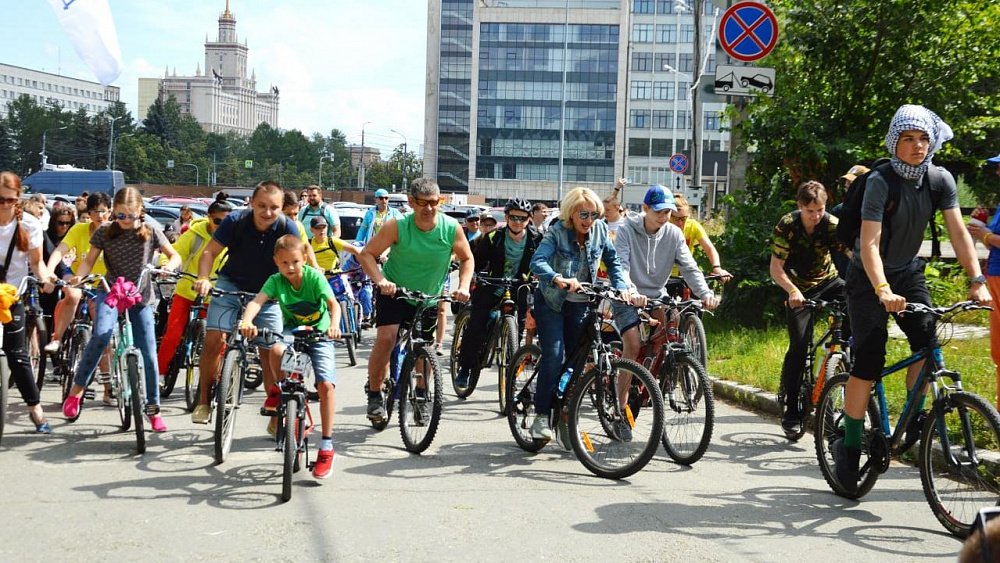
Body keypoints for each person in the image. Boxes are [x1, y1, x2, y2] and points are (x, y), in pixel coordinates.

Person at [832, 104, 991, 494]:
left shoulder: (940, 180)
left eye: (923, 138)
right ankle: (849, 446)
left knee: (928, 344)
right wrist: (882, 290)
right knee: (870, 358)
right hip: (868, 278)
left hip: (907, 270)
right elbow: (868, 243)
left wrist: (976, 280)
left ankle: (917, 414)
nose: (918, 146)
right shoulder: (880, 181)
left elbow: (958, 233)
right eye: (908, 139)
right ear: (895, 142)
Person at [61, 187, 181, 431]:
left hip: (140, 295)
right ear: (114, 213)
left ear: (141, 212)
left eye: (130, 216)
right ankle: (78, 389)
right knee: (102, 334)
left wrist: (168, 267)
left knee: (148, 349)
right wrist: (79, 277)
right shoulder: (105, 231)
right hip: (111, 291)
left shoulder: (151, 231)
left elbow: (174, 255)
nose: (125, 221)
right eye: (120, 216)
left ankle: (153, 409)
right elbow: (89, 260)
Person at [528, 187, 641, 442]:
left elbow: (612, 261)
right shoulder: (557, 231)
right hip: (552, 302)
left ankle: (566, 415)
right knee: (555, 356)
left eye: (593, 214)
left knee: (577, 363)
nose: (589, 221)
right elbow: (538, 262)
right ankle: (541, 416)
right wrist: (558, 278)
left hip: (581, 303)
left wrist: (622, 288)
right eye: (583, 215)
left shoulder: (600, 230)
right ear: (571, 213)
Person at [191, 181, 307, 428]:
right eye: (262, 206)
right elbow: (209, 253)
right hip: (230, 284)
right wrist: (203, 278)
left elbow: (298, 265)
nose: (267, 212)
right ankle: (203, 400)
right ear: (252, 203)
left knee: (272, 353)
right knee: (214, 340)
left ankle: (276, 410)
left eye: (274, 207)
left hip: (268, 293)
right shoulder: (235, 221)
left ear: (282, 208)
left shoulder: (288, 228)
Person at [357, 178, 473, 423]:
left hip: (428, 297)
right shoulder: (397, 226)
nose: (429, 208)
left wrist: (463, 286)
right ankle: (376, 394)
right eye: (423, 203)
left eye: (434, 203)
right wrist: (380, 281)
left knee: (424, 348)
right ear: (411, 202)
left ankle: (421, 394)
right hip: (395, 293)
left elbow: (467, 258)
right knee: (388, 339)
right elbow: (367, 254)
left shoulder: (451, 227)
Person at [239, 234, 342, 479]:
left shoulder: (314, 277)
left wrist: (334, 325)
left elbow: (333, 304)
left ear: (304, 258)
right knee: (275, 349)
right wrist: (247, 320)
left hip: (320, 335)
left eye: (295, 261)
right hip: (292, 334)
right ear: (276, 262)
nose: (290, 268)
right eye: (284, 263)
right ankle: (278, 391)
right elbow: (257, 301)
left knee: (325, 384)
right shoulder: (276, 280)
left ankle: (326, 446)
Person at [769, 181, 851, 438]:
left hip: (828, 281)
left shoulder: (832, 224)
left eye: (820, 210)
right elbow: (775, 268)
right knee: (799, 346)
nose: (816, 216)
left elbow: (852, 255)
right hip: (797, 286)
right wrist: (793, 291)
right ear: (800, 206)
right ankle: (791, 411)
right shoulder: (787, 225)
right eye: (810, 211)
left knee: (855, 313)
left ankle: (840, 364)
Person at [613, 185, 719, 366]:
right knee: (632, 345)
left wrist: (706, 294)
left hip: (656, 295)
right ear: (645, 208)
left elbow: (689, 268)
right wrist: (630, 291)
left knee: (666, 333)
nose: (664, 217)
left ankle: (651, 387)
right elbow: (622, 266)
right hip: (627, 295)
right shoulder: (625, 228)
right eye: (659, 212)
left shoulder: (674, 234)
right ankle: (621, 395)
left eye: (668, 212)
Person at [455, 198, 540, 388]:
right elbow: (475, 260)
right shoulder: (495, 237)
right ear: (507, 217)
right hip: (493, 284)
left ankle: (510, 377)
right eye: (514, 217)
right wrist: (474, 276)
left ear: (528, 219)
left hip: (519, 286)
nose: (518, 222)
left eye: (522, 218)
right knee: (477, 324)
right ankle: (465, 368)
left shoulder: (537, 239)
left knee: (517, 330)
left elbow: (543, 262)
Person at [0, 172, 54, 434]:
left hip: (12, 296)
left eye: (9, 200)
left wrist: (45, 278)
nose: (4, 205)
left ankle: (35, 409)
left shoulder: (29, 225)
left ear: (17, 199)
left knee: (18, 354)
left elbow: (37, 262)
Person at [155, 196, 233, 378]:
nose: (221, 226)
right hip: (187, 291)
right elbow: (175, 253)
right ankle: (159, 373)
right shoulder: (194, 234)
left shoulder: (233, 238)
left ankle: (216, 377)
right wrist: (166, 267)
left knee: (218, 340)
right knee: (173, 335)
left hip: (215, 295)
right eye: (217, 221)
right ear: (209, 217)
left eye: (226, 222)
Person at [45, 192, 111, 358]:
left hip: (102, 284)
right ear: (88, 213)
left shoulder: (114, 233)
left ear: (110, 212)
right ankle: (57, 339)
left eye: (103, 211)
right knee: (73, 295)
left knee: (100, 325)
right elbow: (60, 251)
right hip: (76, 275)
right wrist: (49, 270)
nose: (99, 215)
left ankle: (104, 375)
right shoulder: (79, 229)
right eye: (95, 211)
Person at [966, 153, 1000, 407]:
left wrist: (986, 235)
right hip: (995, 277)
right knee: (998, 351)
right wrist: (980, 225)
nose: (997, 173)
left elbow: (992, 239)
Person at [669, 193, 733, 282]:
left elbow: (710, 248)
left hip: (685, 273)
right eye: (676, 219)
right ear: (669, 215)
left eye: (684, 218)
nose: (680, 223)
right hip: (663, 275)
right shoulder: (663, 226)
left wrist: (717, 267)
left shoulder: (693, 225)